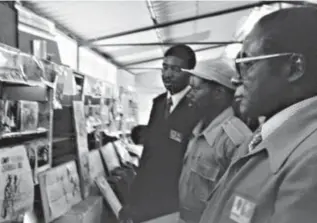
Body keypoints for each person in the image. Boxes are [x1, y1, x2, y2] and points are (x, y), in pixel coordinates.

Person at [199, 7, 317, 223]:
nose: (236, 80)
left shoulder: (310, 161)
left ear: (293, 68)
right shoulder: (264, 138)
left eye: (247, 64)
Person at [119, 45, 201, 223]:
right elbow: (148, 154)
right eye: (165, 67)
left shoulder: (197, 107)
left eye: (175, 69)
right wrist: (132, 200)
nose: (167, 74)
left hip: (174, 202)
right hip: (146, 197)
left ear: (190, 73)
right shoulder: (159, 103)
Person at [178, 59, 252, 223]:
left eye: (196, 88)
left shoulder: (236, 140)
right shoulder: (198, 131)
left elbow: (242, 209)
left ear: (218, 93)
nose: (189, 94)